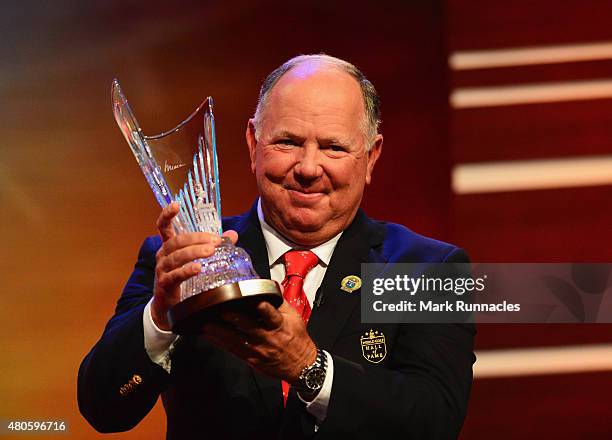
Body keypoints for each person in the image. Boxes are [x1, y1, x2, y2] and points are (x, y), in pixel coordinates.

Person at [78, 54, 475, 439]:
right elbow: (103, 409)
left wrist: (309, 368)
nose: (306, 167)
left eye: (334, 147)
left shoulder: (426, 270)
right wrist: (161, 317)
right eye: (287, 141)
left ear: (371, 157)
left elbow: (433, 422)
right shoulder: (182, 260)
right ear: (253, 144)